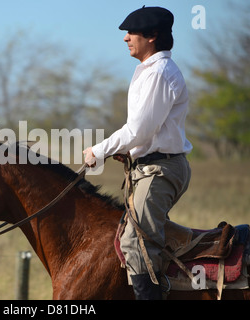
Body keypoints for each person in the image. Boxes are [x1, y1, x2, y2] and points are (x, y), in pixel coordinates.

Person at [83, 6, 192, 300]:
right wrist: (130, 149)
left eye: (131, 33)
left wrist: (100, 150)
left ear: (152, 36)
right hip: (152, 167)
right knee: (138, 239)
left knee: (135, 243)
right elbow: (143, 131)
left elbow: (140, 130)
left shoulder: (158, 73)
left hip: (160, 170)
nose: (125, 38)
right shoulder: (149, 71)